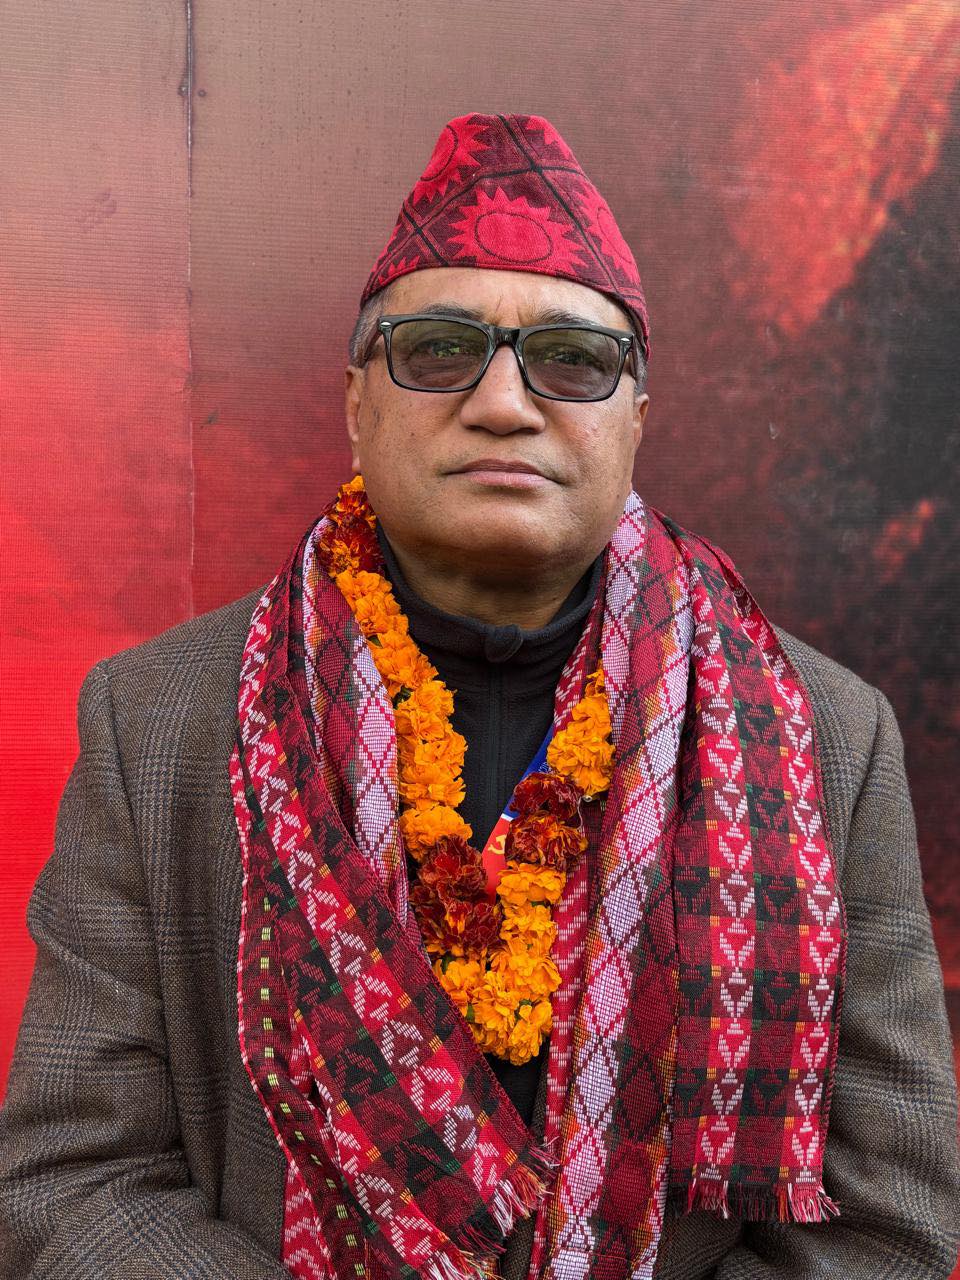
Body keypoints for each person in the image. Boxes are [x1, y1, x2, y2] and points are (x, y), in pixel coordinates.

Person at [1, 112, 956, 1280]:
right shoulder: (158, 720)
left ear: (635, 416)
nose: (505, 402)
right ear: (357, 400)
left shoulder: (823, 739)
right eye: (441, 349)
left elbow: (885, 1223)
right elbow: (72, 1181)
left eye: (572, 358)